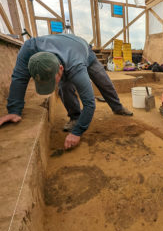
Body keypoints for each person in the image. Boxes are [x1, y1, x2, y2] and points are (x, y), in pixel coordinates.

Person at [0, 34, 132, 149]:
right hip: (63, 50)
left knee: (104, 82)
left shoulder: (76, 65)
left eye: (52, 80)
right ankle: (75, 117)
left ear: (61, 68)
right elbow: (19, 78)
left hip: (82, 52)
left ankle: (117, 107)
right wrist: (14, 110)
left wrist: (77, 133)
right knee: (64, 87)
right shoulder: (27, 52)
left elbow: (90, 103)